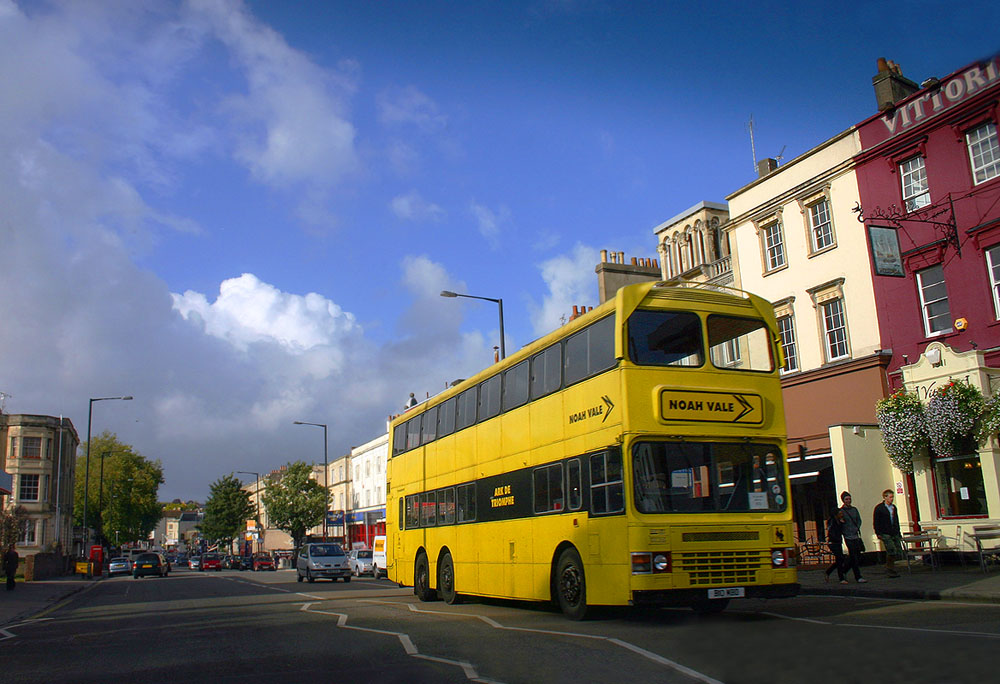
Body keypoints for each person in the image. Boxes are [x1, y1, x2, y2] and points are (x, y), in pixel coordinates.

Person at [873, 488, 904, 578]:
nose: (892, 499)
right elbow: (876, 521)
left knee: (898, 550)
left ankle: (890, 566)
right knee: (891, 550)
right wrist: (878, 532)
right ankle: (890, 568)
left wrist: (898, 532)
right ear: (885, 497)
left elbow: (896, 520)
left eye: (892, 497)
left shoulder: (893, 508)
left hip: (894, 532)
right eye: (890, 497)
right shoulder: (879, 508)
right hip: (885, 532)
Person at [839, 491, 867, 583]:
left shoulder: (854, 510)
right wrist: (844, 530)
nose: (848, 501)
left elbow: (859, 520)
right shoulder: (841, 511)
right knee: (853, 556)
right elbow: (840, 523)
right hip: (848, 536)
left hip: (855, 535)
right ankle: (858, 576)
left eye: (849, 499)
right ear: (843, 500)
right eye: (846, 499)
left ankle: (844, 570)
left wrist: (856, 527)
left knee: (856, 555)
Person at [825, 509, 848, 584]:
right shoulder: (832, 521)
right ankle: (841, 577)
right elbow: (831, 531)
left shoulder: (839, 521)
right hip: (833, 542)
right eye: (840, 513)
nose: (842, 514)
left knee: (840, 559)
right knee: (840, 559)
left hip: (838, 542)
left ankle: (828, 572)